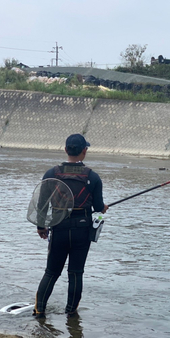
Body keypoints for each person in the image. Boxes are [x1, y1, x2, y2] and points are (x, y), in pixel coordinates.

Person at [33, 134, 108, 318]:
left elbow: (42, 203)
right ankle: (71, 315)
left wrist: (41, 227)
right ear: (84, 151)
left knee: (51, 272)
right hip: (82, 231)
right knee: (76, 273)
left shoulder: (51, 174)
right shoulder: (93, 177)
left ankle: (39, 311)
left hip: (58, 228)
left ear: (66, 149)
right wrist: (102, 208)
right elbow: (98, 207)